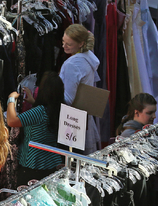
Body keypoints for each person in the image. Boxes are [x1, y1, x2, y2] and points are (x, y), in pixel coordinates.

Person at [6, 71, 65, 186]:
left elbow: (12, 121)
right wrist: (33, 101)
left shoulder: (39, 112)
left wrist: (11, 99)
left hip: (32, 163)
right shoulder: (60, 109)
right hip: (52, 161)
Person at [59, 24, 100, 154]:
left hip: (71, 121)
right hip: (84, 114)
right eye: (63, 42)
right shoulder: (88, 58)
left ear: (81, 43)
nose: (64, 46)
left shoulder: (72, 64)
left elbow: (68, 99)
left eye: (68, 44)